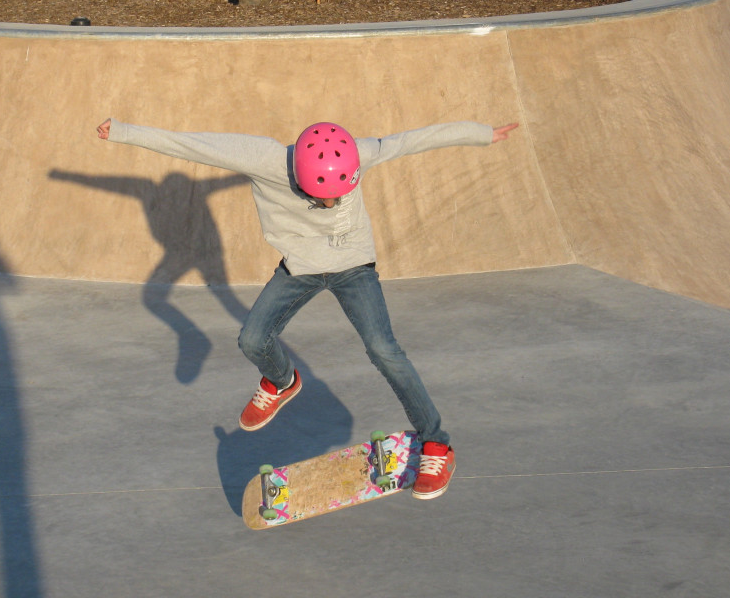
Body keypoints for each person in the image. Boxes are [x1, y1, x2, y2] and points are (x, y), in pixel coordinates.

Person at [96, 117, 518, 499]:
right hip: (299, 269)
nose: (331, 206)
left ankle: (437, 444)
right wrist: (122, 131)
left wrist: (481, 134)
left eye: (338, 197)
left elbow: (413, 140)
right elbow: (192, 144)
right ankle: (282, 381)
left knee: (384, 349)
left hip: (353, 267)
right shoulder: (262, 159)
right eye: (321, 199)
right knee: (252, 339)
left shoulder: (360, 152)